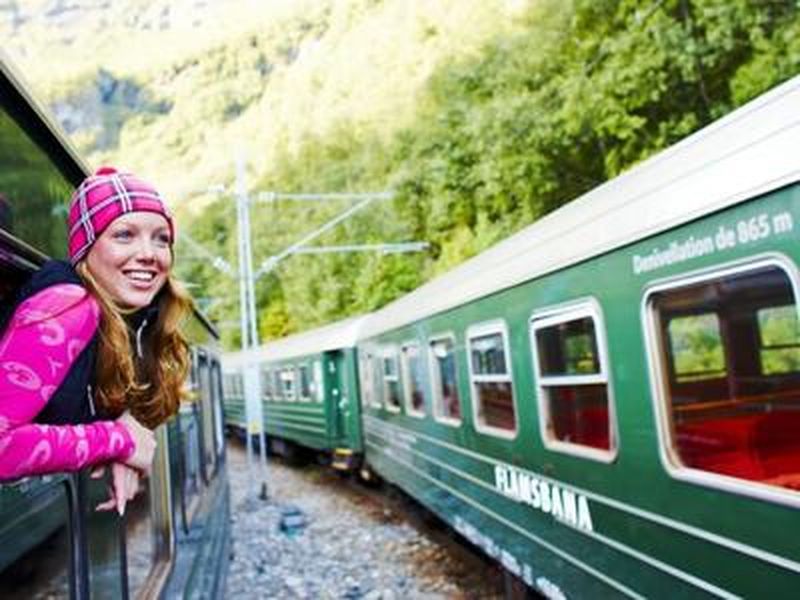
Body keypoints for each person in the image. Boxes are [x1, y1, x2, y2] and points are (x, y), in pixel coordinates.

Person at [0, 166, 192, 515]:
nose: (150, 253)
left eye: (161, 238)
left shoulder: (129, 323)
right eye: (124, 235)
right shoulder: (68, 307)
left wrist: (121, 436)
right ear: (86, 249)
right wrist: (118, 441)